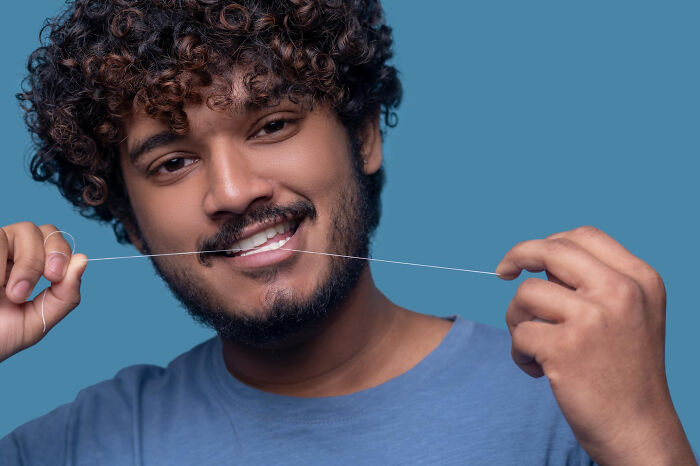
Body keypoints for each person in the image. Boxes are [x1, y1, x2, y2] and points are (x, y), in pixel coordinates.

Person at [0, 0, 696, 464]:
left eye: (272, 125)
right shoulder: (79, 447)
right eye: (174, 161)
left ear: (362, 136)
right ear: (129, 220)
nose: (235, 191)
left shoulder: (572, 406)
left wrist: (645, 440)